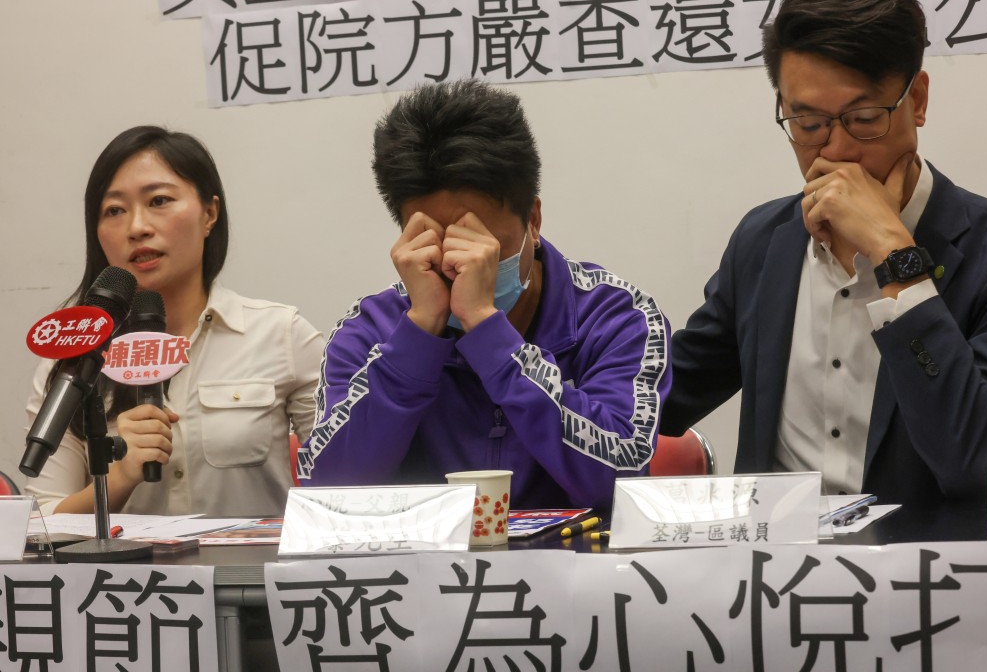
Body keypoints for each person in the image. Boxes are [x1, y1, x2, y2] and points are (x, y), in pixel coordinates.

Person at [661, 0, 987, 505]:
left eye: (865, 117)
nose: (836, 150)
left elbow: (981, 463)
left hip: (925, 576)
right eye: (808, 125)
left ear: (916, 100)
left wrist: (894, 253)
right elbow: (658, 399)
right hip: (771, 571)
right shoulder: (764, 243)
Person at [298, 80, 671, 511]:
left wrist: (488, 330)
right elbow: (330, 492)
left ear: (533, 219)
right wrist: (419, 335)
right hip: (420, 575)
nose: (463, 266)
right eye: (440, 246)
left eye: (484, 245)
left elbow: (619, 481)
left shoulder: (616, 315)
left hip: (577, 572)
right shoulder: (370, 329)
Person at [25, 126, 324, 516]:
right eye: (114, 210)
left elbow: (345, 483)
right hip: (129, 580)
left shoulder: (281, 334)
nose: (137, 227)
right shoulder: (73, 360)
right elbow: (43, 527)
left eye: (159, 201)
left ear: (209, 214)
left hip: (251, 574)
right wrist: (119, 478)